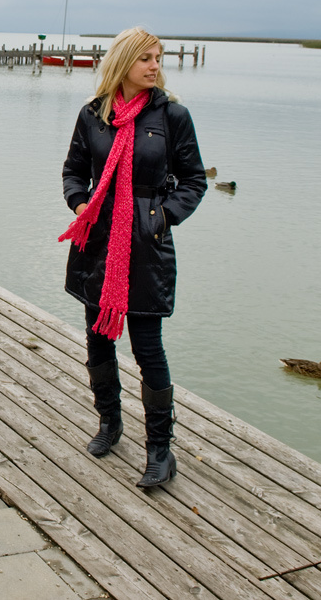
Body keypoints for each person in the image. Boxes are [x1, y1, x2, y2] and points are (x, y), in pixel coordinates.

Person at [59, 26, 206, 489]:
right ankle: (109, 423)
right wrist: (81, 205)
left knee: (148, 348)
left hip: (146, 247)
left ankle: (161, 451)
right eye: (145, 58)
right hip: (97, 245)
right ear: (123, 63)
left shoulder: (173, 116)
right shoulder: (93, 116)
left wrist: (161, 218)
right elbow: (73, 172)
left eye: (158, 58)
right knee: (98, 339)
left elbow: (194, 181)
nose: (155, 66)